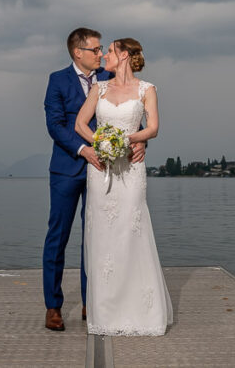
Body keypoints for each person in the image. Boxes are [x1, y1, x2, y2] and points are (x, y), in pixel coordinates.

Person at [75, 38, 173, 336]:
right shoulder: (99, 89)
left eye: (110, 51)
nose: (104, 54)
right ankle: (105, 314)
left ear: (126, 56)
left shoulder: (148, 90)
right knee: (103, 236)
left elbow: (153, 127)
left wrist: (129, 139)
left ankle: (141, 311)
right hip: (101, 170)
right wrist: (101, 143)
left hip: (131, 169)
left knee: (132, 231)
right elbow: (81, 124)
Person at [42, 27, 113, 332]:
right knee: (57, 237)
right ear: (77, 52)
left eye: (101, 49)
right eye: (96, 49)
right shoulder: (57, 80)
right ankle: (53, 306)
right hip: (66, 169)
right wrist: (83, 149)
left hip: (103, 170)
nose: (101, 54)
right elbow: (55, 125)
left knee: (94, 238)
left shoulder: (108, 78)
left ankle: (90, 302)